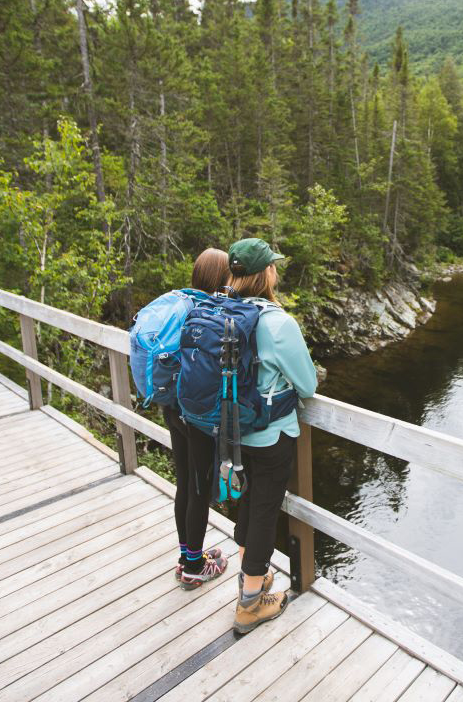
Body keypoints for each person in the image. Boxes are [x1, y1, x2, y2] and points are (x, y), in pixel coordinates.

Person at [225, 237, 317, 634]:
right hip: (270, 434)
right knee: (264, 510)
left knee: (248, 501)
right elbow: (308, 384)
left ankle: (253, 578)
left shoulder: (221, 309)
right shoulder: (278, 322)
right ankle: (250, 605)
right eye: (273, 266)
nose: (276, 271)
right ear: (266, 273)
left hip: (230, 431)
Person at [163, 248, 232, 588]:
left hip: (172, 405)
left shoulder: (180, 304)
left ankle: (186, 555)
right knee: (200, 489)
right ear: (222, 278)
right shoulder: (210, 311)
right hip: (197, 411)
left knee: (184, 483)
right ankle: (194, 566)